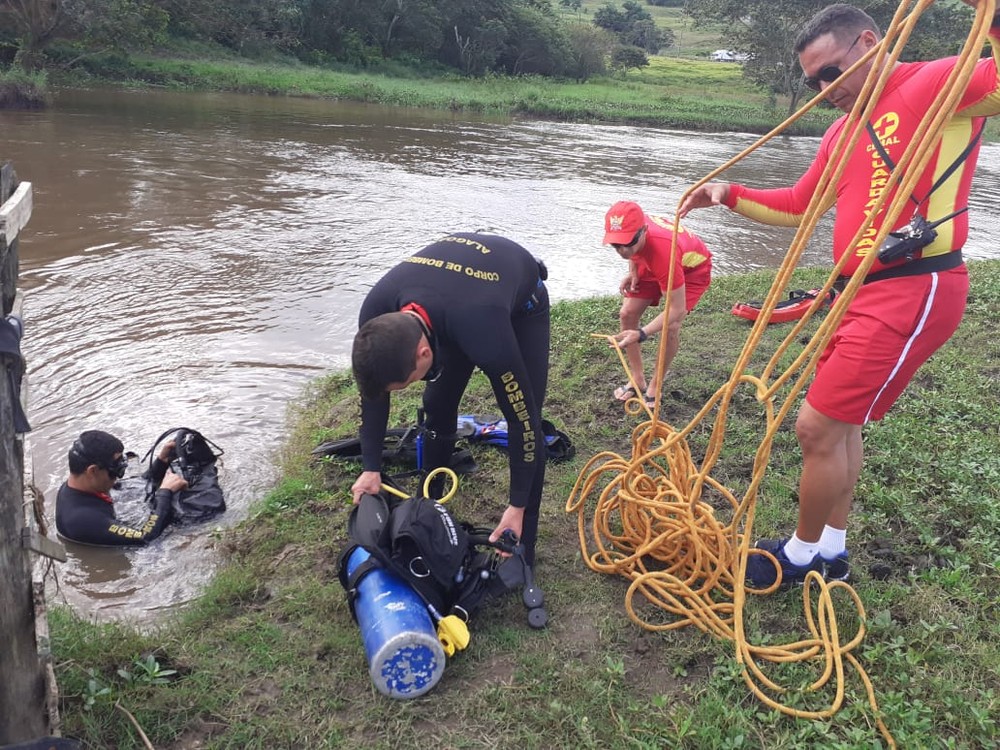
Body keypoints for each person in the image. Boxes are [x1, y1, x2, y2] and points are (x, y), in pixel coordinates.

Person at [677, 2, 1000, 588]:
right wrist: (729, 193)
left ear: (869, 43)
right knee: (841, 427)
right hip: (855, 295)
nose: (825, 90)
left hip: (914, 286)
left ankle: (800, 556)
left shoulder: (936, 82)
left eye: (831, 72)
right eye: (813, 82)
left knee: (816, 428)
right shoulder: (839, 132)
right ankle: (830, 548)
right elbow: (799, 205)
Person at [350, 232, 550, 566]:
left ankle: (522, 544)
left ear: (424, 353)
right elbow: (373, 395)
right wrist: (371, 468)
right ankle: (429, 505)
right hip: (451, 303)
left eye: (407, 382)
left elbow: (523, 424)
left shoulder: (487, 335)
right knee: (438, 405)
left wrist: (517, 506)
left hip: (518, 301)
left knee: (528, 414)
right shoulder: (376, 314)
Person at [604, 201, 712, 407]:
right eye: (615, 244)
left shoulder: (664, 252)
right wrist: (633, 271)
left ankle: (655, 384)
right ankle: (637, 378)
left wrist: (641, 333)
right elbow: (632, 249)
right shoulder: (632, 228)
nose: (622, 250)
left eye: (628, 242)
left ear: (643, 231)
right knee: (627, 314)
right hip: (653, 260)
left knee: (672, 325)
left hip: (691, 270)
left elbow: (676, 309)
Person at [56, 430, 188, 546]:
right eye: (115, 470)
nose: (118, 476)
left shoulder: (82, 485)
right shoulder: (84, 520)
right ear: (93, 471)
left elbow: (138, 486)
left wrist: (161, 462)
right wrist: (165, 493)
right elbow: (145, 537)